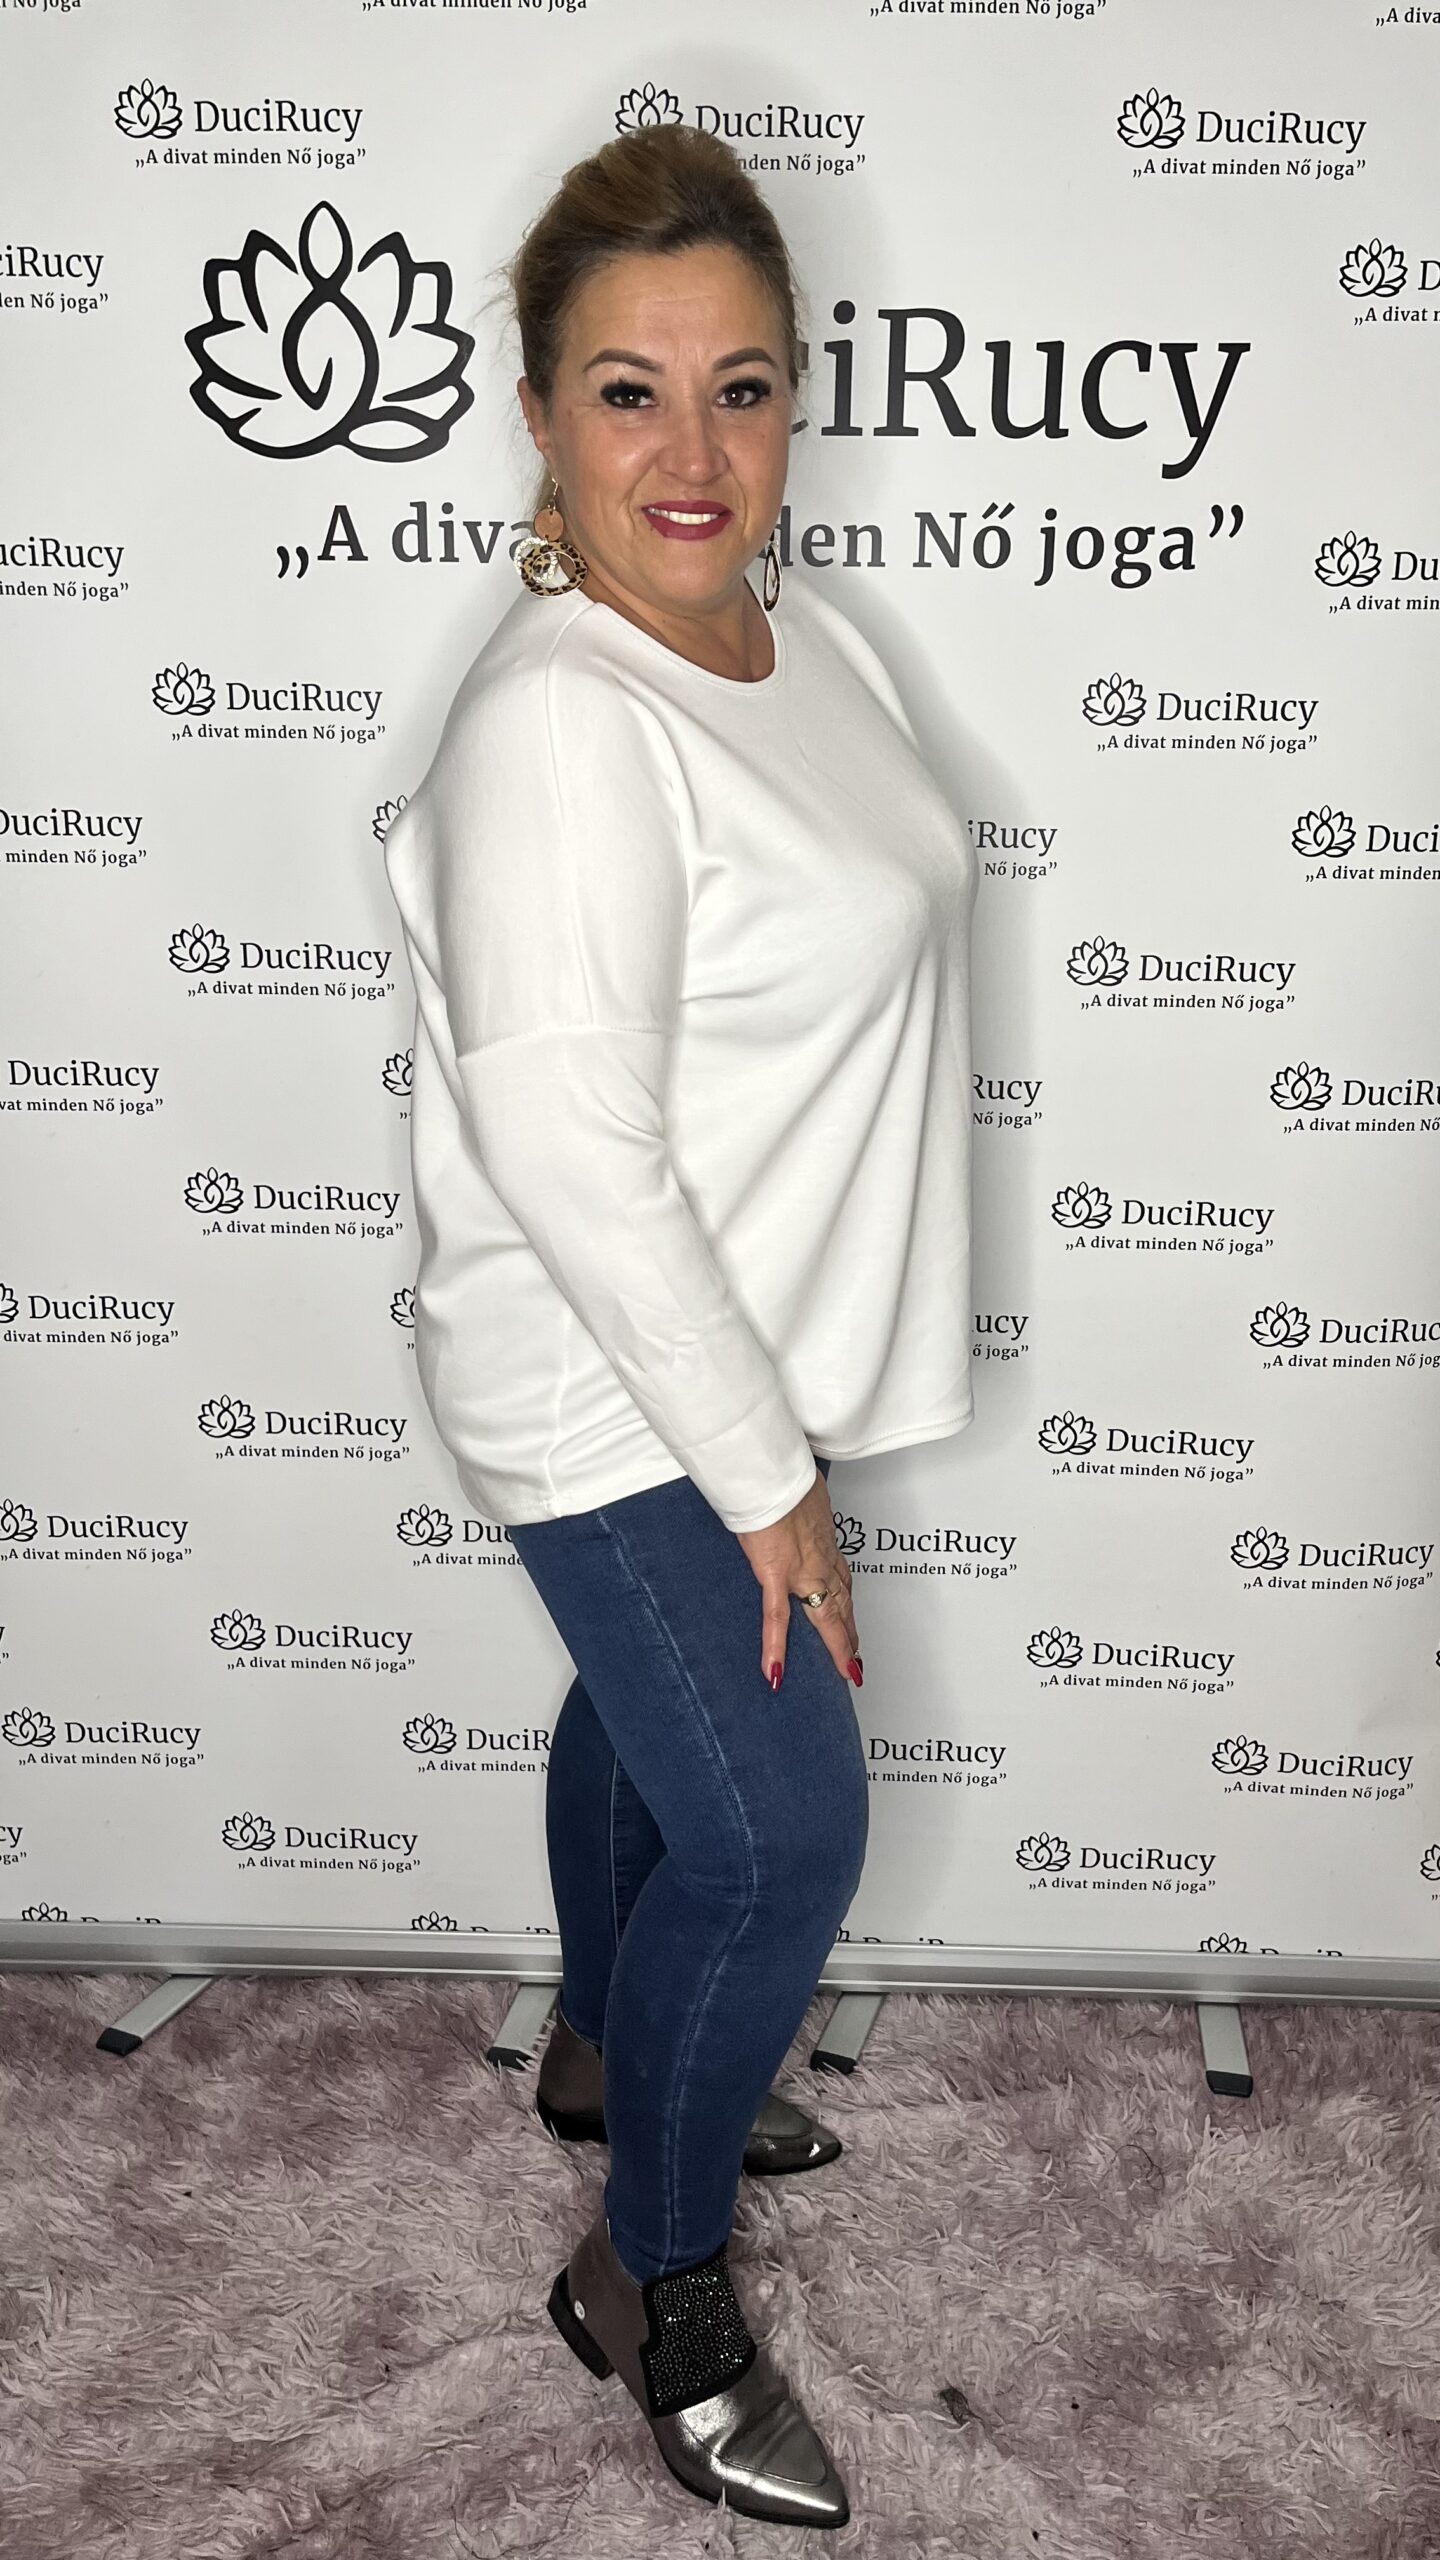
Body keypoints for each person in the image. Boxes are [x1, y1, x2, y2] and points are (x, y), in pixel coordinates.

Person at [383, 121, 976, 2533]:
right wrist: (769, 1471)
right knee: (784, 1822)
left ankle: (607, 2057)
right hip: (610, 1367)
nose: (693, 449)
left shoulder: (800, 642)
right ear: (540, 410)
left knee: (648, 1737)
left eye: (741, 386)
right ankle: (654, 2275)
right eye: (629, 392)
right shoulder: (560, 720)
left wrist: (788, 1410)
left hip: (737, 1343)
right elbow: (577, 1152)